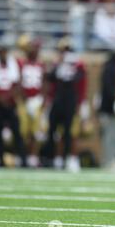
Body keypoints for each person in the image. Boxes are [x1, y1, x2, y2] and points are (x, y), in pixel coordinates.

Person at [43, 39, 85, 172]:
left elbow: (80, 81)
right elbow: (50, 78)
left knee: (69, 132)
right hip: (58, 99)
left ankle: (68, 158)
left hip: (70, 100)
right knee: (53, 130)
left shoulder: (77, 64)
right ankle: (55, 158)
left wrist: (82, 103)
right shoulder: (57, 63)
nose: (65, 53)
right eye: (63, 50)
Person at [0, 46, 27, 167]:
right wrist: (0, 99)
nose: (2, 54)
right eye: (0, 52)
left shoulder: (14, 64)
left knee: (17, 132)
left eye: (4, 51)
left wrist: (8, 97)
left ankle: (23, 159)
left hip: (11, 103)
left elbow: (18, 84)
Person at [16, 36, 46, 168]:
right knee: (23, 132)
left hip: (37, 101)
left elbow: (45, 83)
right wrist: (23, 99)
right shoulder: (21, 63)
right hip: (24, 101)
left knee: (36, 132)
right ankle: (22, 155)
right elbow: (18, 82)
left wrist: (42, 99)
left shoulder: (41, 64)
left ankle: (33, 157)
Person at [98, 51, 115, 169]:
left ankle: (109, 159)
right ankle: (110, 160)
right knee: (111, 136)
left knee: (108, 136)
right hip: (110, 110)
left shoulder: (106, 69)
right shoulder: (112, 70)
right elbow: (110, 90)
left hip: (106, 109)